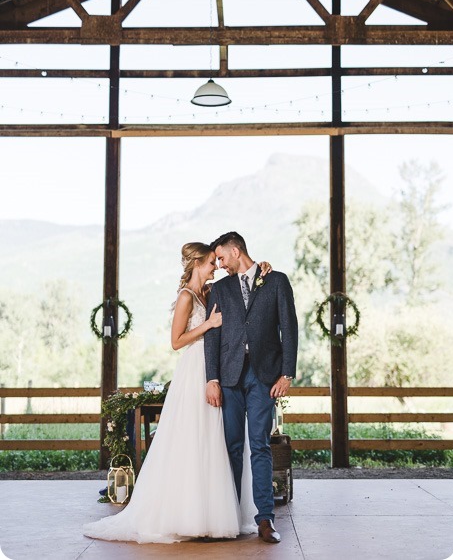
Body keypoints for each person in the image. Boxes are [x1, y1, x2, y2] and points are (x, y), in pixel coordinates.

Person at [83, 242, 270, 544]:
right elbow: (176, 340)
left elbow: (243, 285)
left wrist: (263, 267)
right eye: (211, 262)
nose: (216, 267)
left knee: (213, 442)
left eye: (218, 261)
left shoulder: (211, 293)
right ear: (197, 264)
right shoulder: (186, 297)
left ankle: (210, 514)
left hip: (215, 370)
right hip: (194, 371)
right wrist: (208, 324)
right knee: (189, 439)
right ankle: (183, 513)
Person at [205, 231, 298, 544]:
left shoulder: (276, 281)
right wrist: (212, 378)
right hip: (229, 378)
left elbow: (290, 328)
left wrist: (287, 374)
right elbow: (212, 337)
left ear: (235, 250)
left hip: (264, 377)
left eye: (221, 257)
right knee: (231, 447)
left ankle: (265, 519)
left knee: (259, 446)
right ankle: (229, 516)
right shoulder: (219, 288)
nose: (219, 264)